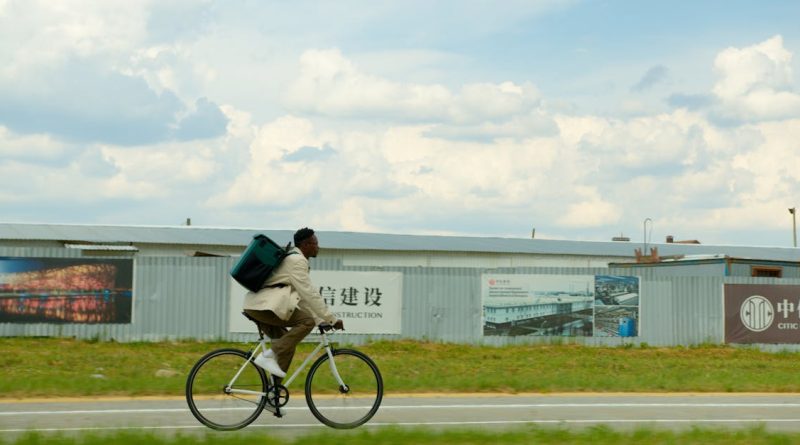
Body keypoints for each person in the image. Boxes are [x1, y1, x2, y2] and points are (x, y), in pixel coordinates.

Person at [243, 227, 343, 378]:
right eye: (315, 243)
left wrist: (319, 320)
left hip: (261, 306)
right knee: (306, 322)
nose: (318, 247)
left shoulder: (293, 259)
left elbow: (301, 298)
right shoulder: (297, 261)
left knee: (288, 346)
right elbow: (310, 294)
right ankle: (268, 355)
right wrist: (331, 319)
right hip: (264, 308)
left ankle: (272, 395)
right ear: (306, 244)